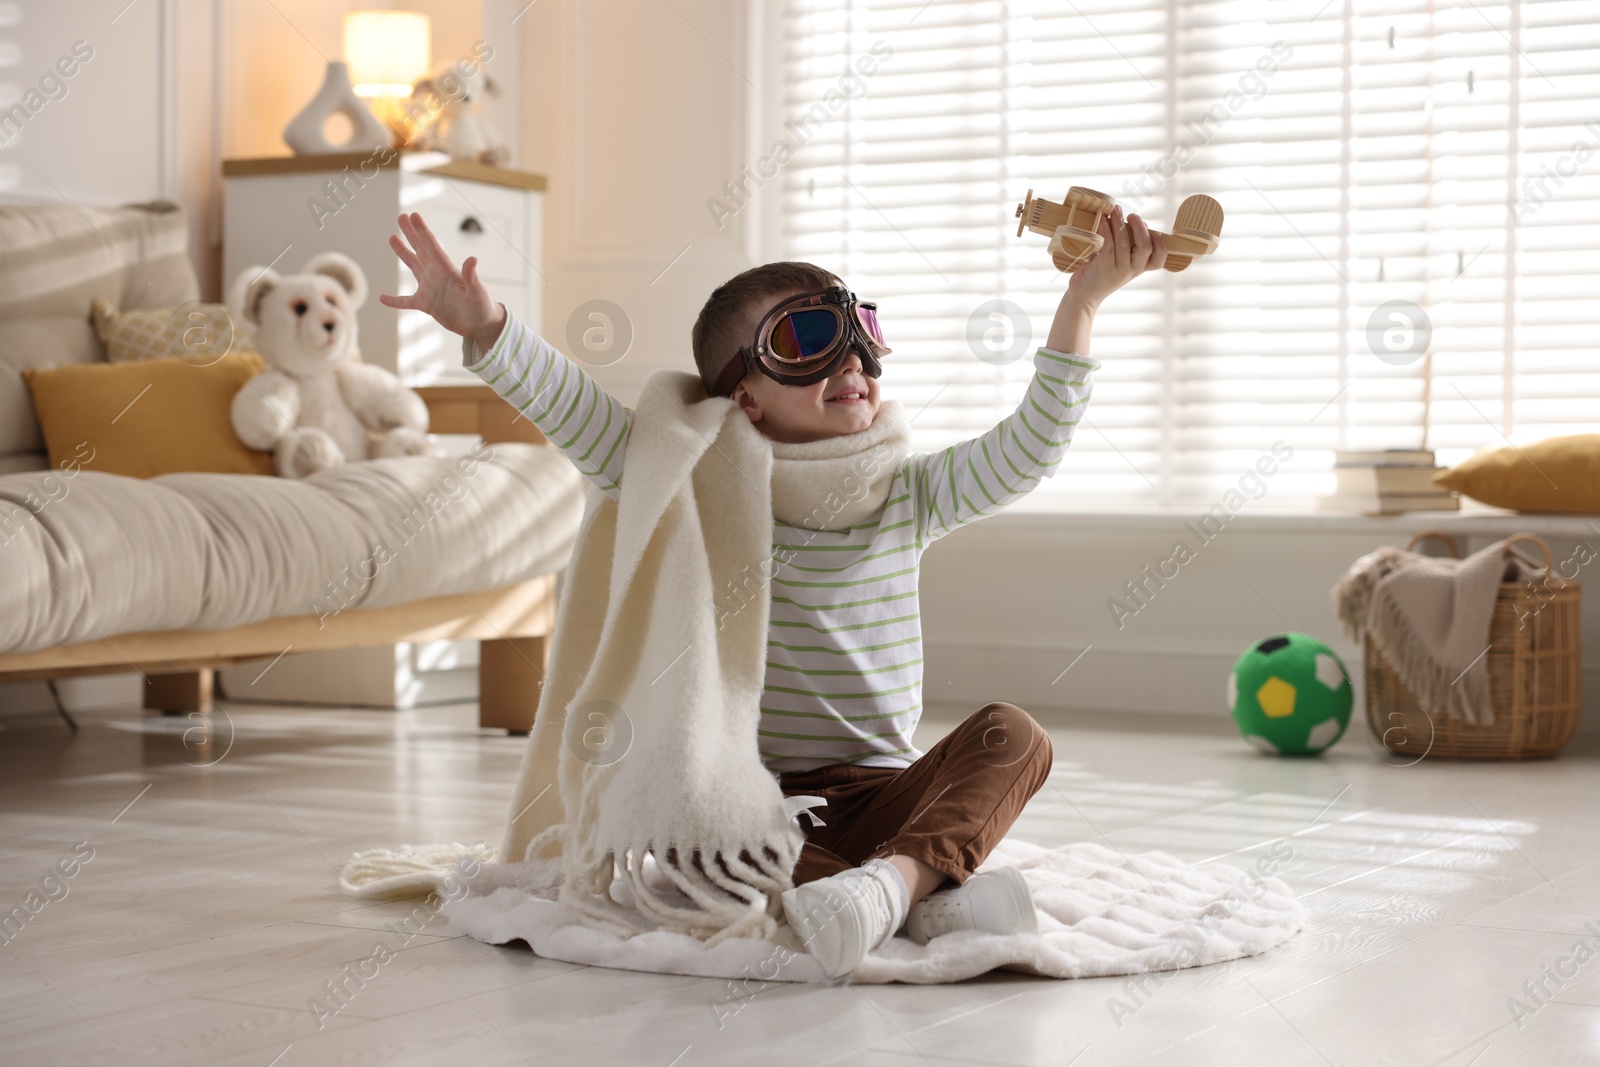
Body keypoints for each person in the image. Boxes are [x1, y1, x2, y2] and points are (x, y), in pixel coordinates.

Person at [380, 206, 1167, 978]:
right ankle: (920, 894)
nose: (850, 360)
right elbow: (577, 412)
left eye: (861, 331)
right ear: (744, 395)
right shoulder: (689, 478)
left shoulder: (910, 494)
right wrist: (488, 330)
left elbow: (1032, 446)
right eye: (809, 340)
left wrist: (1083, 301)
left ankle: (890, 884)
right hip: (759, 801)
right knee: (693, 851)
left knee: (1015, 734)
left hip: (887, 787)